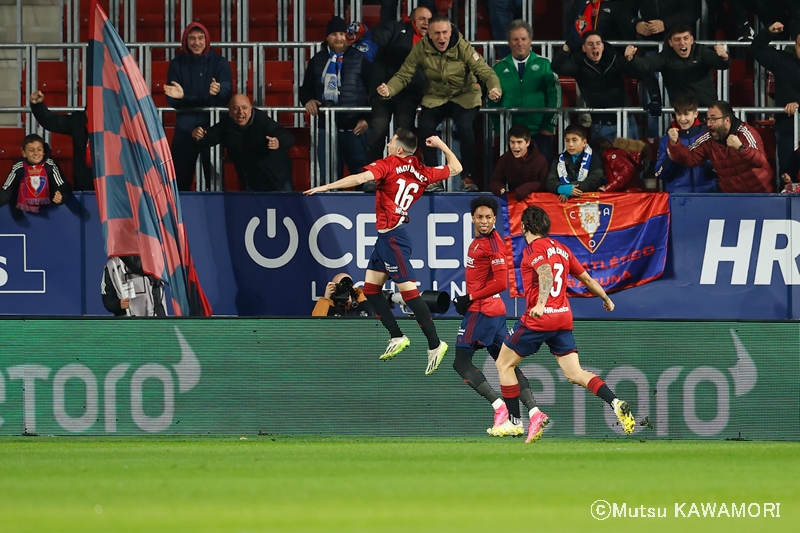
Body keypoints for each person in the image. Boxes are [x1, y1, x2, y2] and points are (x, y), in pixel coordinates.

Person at [304, 129, 459, 374]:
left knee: (409, 293)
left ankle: (435, 344)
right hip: (386, 238)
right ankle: (397, 336)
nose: (387, 143)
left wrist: (326, 187)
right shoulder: (423, 171)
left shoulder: (390, 164)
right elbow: (456, 168)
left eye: (391, 141)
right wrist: (441, 145)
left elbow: (358, 179)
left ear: (398, 150)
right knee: (371, 290)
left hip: (394, 238)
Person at [491, 205, 636, 440]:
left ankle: (514, 422)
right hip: (563, 317)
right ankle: (615, 402)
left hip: (540, 318)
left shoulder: (532, 249)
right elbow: (587, 278)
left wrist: (540, 303)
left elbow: (545, 273)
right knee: (575, 373)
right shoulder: (562, 248)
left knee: (503, 365)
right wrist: (606, 298)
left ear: (524, 226)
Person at [377, 14, 502, 192]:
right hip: (436, 96)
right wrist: (389, 89)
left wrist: (493, 88)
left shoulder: (463, 47)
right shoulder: (420, 48)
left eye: (444, 32)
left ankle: (468, 177)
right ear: (428, 33)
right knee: (425, 126)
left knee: (466, 128)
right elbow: (404, 74)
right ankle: (433, 177)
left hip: (464, 95)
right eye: (436, 33)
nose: (441, 37)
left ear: (450, 32)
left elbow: (485, 72)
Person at [452, 196, 540, 436]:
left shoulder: (493, 244)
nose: (483, 221)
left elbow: (501, 282)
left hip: (482, 312)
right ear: (472, 218)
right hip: (493, 313)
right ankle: (533, 413)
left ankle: (499, 407)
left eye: (488, 217)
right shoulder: (478, 242)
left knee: (461, 362)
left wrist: (470, 298)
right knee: (506, 364)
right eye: (480, 217)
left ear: (494, 219)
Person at [300, 16, 373, 186]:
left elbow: (375, 93)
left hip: (356, 131)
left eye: (342, 33)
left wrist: (367, 120)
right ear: (327, 37)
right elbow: (305, 89)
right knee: (330, 182)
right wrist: (308, 100)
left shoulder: (360, 58)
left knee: (364, 181)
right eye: (334, 34)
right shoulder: (317, 60)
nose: (339, 38)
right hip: (326, 129)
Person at [552, 31, 662, 142]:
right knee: (603, 159)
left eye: (598, 43)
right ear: (584, 48)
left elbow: (645, 73)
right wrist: (566, 47)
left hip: (627, 120)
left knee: (633, 158)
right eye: (590, 44)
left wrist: (655, 99)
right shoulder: (578, 63)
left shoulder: (614, 58)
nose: (595, 47)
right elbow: (557, 67)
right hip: (601, 124)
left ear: (603, 46)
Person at [164, 22, 233, 191]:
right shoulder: (176, 64)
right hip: (184, 127)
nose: (197, 42)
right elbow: (171, 99)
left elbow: (227, 94)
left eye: (201, 38)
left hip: (213, 127)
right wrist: (182, 99)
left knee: (215, 181)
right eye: (192, 38)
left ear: (207, 40)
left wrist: (217, 93)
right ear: (185, 41)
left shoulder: (220, 62)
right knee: (180, 181)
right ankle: (179, 216)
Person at [488, 20, 559, 166]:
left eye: (523, 39)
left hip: (540, 132)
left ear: (530, 41)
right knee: (511, 179)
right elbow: (491, 101)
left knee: (542, 178)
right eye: (515, 39)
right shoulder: (498, 68)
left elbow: (555, 97)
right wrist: (499, 128)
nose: (520, 43)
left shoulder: (545, 64)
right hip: (511, 135)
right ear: (509, 42)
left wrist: (549, 126)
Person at [367, 7, 431, 165]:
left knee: (405, 132)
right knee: (378, 130)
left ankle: (402, 173)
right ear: (412, 20)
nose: (426, 22)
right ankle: (372, 175)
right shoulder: (396, 29)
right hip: (383, 88)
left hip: (409, 94)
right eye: (422, 19)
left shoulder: (433, 41)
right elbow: (380, 37)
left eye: (429, 19)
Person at [191, 94, 295, 191]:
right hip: (252, 181)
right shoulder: (226, 125)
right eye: (236, 108)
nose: (240, 112)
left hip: (278, 178)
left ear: (250, 109)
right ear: (230, 111)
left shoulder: (262, 120)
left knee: (287, 210)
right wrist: (197, 136)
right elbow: (207, 139)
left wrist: (278, 142)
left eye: (244, 108)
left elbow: (288, 137)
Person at [667, 100, 774, 193]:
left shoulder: (745, 133)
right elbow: (689, 158)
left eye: (713, 119)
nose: (709, 124)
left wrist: (741, 148)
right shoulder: (707, 139)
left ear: (727, 120)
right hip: (733, 198)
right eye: (707, 119)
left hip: (761, 194)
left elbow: (761, 161)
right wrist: (675, 143)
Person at [624, 23, 730, 107]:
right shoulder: (666, 57)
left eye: (686, 38)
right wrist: (632, 58)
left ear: (692, 40)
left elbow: (721, 64)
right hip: (682, 113)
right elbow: (645, 65)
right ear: (670, 43)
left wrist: (724, 57)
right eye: (677, 39)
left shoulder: (701, 51)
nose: (682, 43)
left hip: (707, 110)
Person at [751, 22, 800, 180]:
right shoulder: (783, 61)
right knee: (786, 178)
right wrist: (769, 33)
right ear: (795, 46)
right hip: (787, 131)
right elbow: (756, 50)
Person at [29, 91, 93, 191]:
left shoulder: (115, 125)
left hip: (111, 187)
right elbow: (52, 122)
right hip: (83, 186)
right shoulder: (78, 121)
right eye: (89, 112)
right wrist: (38, 106)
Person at [655, 95, 717, 192]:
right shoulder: (666, 140)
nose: (682, 119)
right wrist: (670, 160)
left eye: (686, 114)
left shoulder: (709, 137)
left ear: (695, 114)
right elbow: (659, 174)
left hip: (706, 195)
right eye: (679, 114)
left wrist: (702, 160)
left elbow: (721, 171)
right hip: (678, 199)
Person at [0, 134, 71, 212]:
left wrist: (61, 195)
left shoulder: (50, 164)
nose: (36, 153)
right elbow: (7, 190)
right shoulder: (19, 166)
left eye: (39, 149)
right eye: (31, 150)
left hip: (50, 212)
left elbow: (62, 185)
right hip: (25, 213)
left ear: (43, 151)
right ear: (24, 153)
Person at [546, 123, 604, 203]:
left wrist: (572, 189)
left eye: (574, 140)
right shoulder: (559, 159)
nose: (570, 144)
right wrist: (562, 189)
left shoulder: (594, 157)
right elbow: (550, 181)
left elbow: (594, 181)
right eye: (567, 140)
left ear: (584, 142)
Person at [489, 124, 549, 200]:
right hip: (514, 203)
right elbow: (495, 181)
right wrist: (499, 188)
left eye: (519, 142)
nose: (515, 146)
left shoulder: (540, 161)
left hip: (536, 202)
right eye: (512, 142)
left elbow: (545, 185)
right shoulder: (504, 159)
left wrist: (528, 188)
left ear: (528, 143)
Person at [101, 256, 167, 317]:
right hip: (127, 325)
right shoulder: (112, 266)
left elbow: (158, 292)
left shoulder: (151, 259)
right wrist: (118, 304)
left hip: (152, 322)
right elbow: (108, 298)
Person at [626, 0, 700, 43]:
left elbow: (693, 11)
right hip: (650, 44)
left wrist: (666, 23)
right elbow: (624, 11)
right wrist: (636, 23)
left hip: (680, 43)